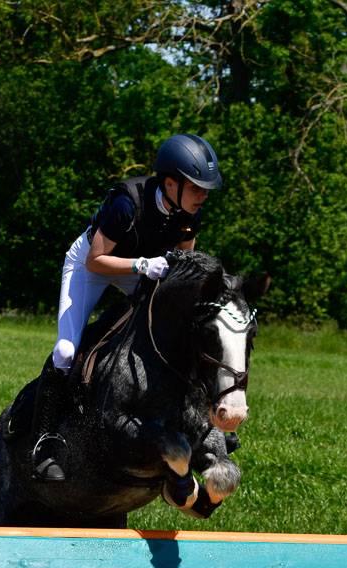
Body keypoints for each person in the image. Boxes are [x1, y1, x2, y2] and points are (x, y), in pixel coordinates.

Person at [31, 133, 222, 483]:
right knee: (66, 348)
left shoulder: (190, 213)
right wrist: (139, 266)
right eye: (197, 187)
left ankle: (202, 418)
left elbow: (183, 262)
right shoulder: (127, 203)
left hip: (140, 267)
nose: (203, 195)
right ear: (169, 184)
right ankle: (44, 440)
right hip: (91, 266)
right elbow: (96, 260)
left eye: (205, 188)